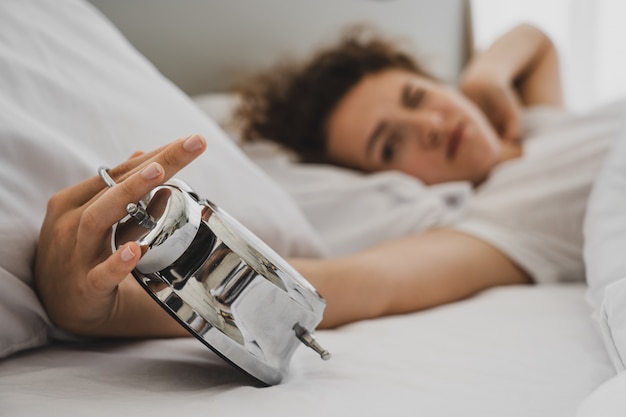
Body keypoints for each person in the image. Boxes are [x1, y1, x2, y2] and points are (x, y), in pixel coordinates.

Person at [33, 23, 622, 336]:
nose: (431, 126)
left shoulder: (539, 121)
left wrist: (486, 77)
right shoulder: (503, 220)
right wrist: (106, 311)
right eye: (390, 143)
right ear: (381, 179)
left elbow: (535, 41)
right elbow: (363, 283)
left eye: (418, 96)